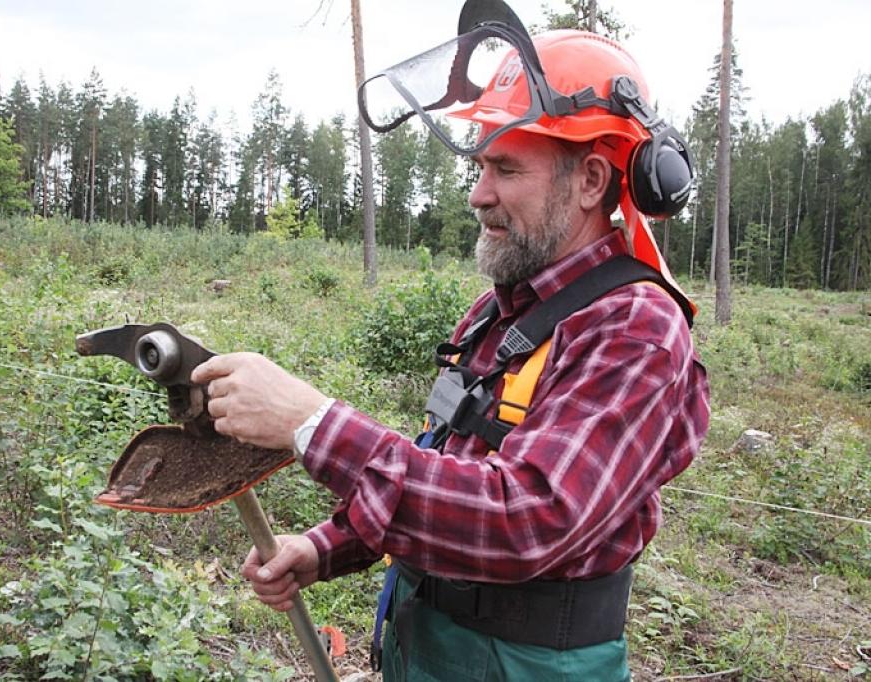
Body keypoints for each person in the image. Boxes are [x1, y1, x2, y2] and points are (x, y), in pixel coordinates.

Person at [192, 3, 710, 679]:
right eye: (481, 166)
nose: (478, 193)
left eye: (506, 169)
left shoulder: (635, 327)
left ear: (589, 181)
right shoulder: (499, 313)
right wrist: (326, 547)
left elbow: (526, 521)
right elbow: (448, 470)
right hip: (425, 641)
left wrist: (311, 423)